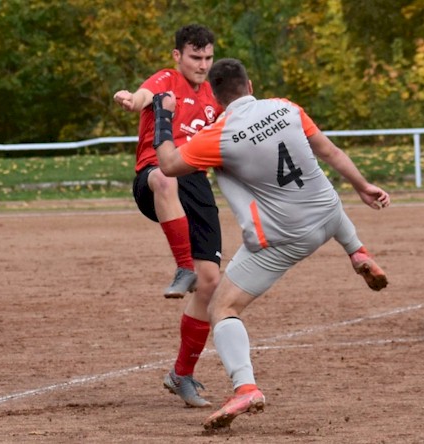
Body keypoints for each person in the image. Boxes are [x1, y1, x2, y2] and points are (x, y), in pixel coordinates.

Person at [152, 58, 390, 430]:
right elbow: (330, 153)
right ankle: (357, 250)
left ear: (215, 97)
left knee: (222, 307)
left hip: (286, 237)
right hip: (331, 217)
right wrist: (363, 186)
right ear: (250, 85)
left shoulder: (219, 134)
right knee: (316, 187)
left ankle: (245, 386)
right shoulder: (286, 107)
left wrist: (163, 116)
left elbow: (167, 165)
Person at [113, 24, 222, 407]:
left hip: (196, 184)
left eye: (208, 57)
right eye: (195, 57)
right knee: (164, 176)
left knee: (210, 285)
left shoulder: (215, 95)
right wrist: (131, 98)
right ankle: (182, 266)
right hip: (154, 177)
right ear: (178, 56)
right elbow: (144, 96)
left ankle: (182, 374)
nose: (202, 65)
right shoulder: (166, 79)